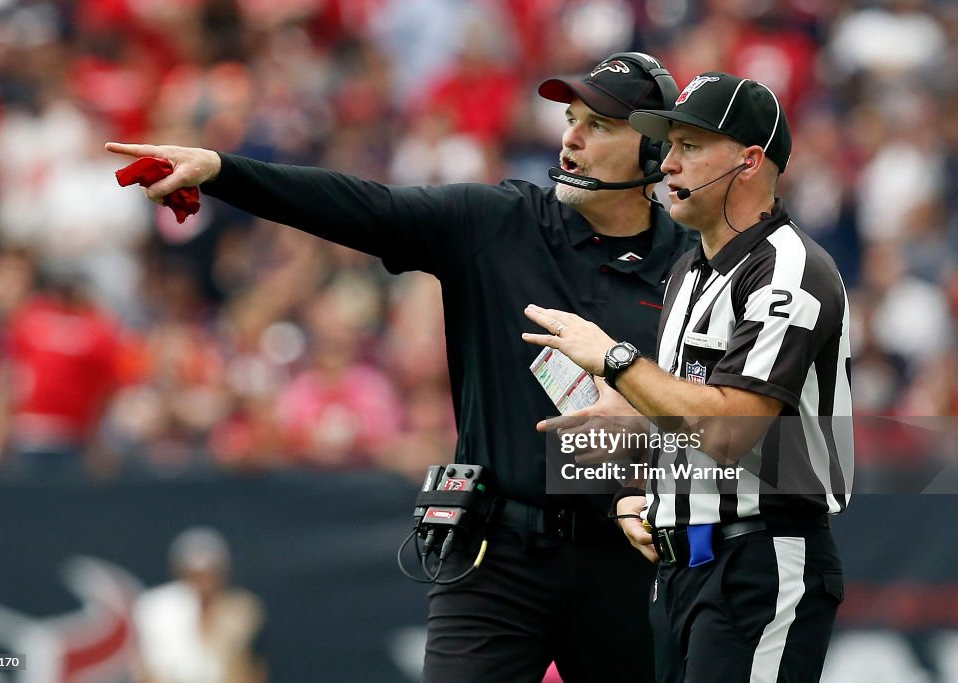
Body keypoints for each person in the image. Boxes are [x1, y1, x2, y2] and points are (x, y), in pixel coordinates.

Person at [108, 52, 695, 683]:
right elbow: (367, 208)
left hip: (632, 557)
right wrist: (223, 171)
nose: (571, 136)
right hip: (497, 551)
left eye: (599, 125)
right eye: (571, 118)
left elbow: (763, 438)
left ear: (657, 154)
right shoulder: (501, 222)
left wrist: (647, 427)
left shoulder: (700, 268)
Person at [522, 72, 853, 682]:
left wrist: (616, 363)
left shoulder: (789, 267)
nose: (668, 164)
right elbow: (688, 422)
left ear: (750, 162)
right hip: (684, 564)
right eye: (668, 145)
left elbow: (730, 430)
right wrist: (648, 492)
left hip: (760, 556)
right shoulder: (688, 270)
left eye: (691, 146)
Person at [132, 526, 266, 683]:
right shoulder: (156, 609)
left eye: (210, 575)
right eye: (195, 576)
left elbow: (251, 671)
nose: (204, 585)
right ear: (179, 573)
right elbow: (148, 673)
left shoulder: (242, 612)